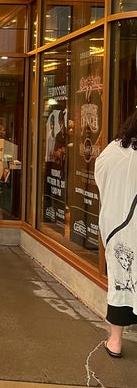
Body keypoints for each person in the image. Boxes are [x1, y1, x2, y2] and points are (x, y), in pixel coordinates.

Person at [94, 109, 137, 359]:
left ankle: (115, 341)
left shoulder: (113, 150)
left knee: (121, 280)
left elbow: (100, 174)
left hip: (119, 228)